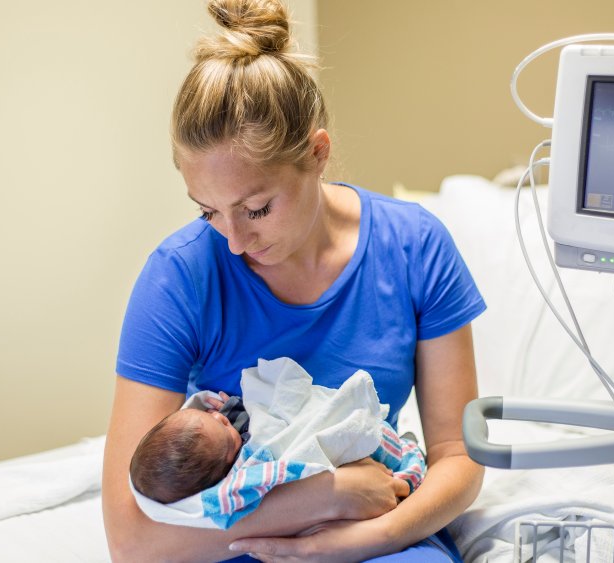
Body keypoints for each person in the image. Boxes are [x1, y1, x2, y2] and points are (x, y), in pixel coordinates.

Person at [101, 0, 487, 560]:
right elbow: (133, 541)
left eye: (256, 209)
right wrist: (322, 499)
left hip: (376, 526)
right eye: (208, 210)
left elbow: (458, 455)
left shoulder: (414, 248)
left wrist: (365, 534)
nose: (233, 240)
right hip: (235, 536)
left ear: (317, 153)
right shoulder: (179, 276)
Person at [128, 359, 427, 530]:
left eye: (210, 416)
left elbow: (264, 410)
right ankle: (405, 458)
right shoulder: (246, 468)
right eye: (223, 430)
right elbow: (276, 461)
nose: (220, 418)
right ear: (225, 467)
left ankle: (402, 448)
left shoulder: (225, 426)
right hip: (351, 482)